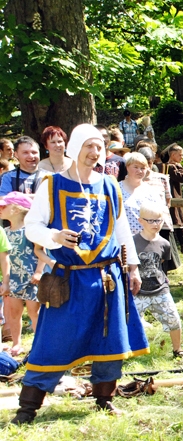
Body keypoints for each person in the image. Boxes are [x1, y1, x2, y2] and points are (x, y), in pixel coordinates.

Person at [10, 124, 148, 424]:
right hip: (69, 278)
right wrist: (55, 237)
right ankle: (28, 407)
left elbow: (121, 229)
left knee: (108, 338)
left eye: (99, 147)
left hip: (107, 276)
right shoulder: (52, 184)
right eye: (88, 146)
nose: (94, 152)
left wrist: (133, 267)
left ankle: (103, 398)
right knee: (53, 340)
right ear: (75, 148)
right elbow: (33, 226)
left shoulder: (110, 185)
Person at [0, 192, 50, 356]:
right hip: (12, 277)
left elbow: (41, 251)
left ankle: (39, 343)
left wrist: (39, 272)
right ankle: (17, 343)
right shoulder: (5, 232)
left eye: (3, 206)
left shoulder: (30, 230)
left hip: (31, 278)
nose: (0, 209)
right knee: (14, 312)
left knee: (33, 311)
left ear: (15, 209)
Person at [133, 201, 183, 358]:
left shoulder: (165, 243)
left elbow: (162, 265)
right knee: (129, 322)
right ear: (141, 221)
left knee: (174, 319)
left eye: (159, 220)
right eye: (151, 220)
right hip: (138, 292)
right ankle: (129, 351)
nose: (156, 224)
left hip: (160, 290)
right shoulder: (132, 242)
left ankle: (178, 350)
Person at [156, 143, 183, 252]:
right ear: (173, 155)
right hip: (170, 196)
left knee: (178, 218)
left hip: (175, 195)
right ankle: (179, 245)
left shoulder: (164, 166)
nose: (182, 157)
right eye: (180, 155)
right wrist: (177, 167)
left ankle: (182, 245)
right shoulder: (168, 167)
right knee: (175, 219)